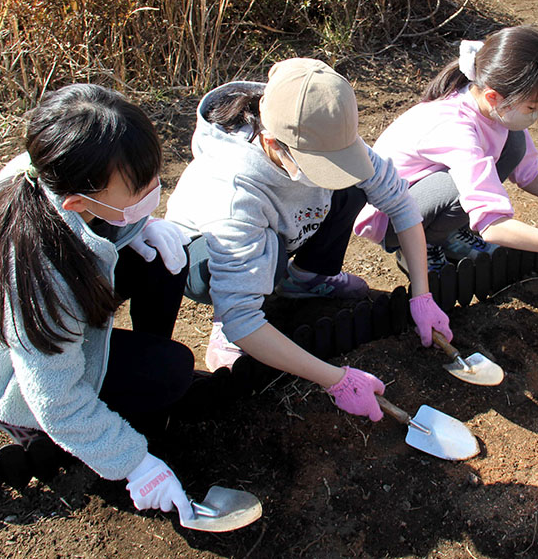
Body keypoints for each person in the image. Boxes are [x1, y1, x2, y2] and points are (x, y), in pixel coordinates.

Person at [0, 84, 201, 521]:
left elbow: (115, 213)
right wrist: (133, 463)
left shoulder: (56, 166)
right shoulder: (35, 276)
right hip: (12, 370)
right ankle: (18, 418)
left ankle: (131, 384)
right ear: (78, 202)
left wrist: (140, 224)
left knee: (165, 263)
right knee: (172, 371)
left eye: (153, 179)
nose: (155, 191)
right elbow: (56, 400)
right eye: (141, 191)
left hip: (51, 312)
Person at [165, 58, 451, 418]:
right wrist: (337, 379)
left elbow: (400, 203)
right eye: (317, 165)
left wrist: (421, 295)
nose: (327, 170)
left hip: (284, 231)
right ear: (271, 142)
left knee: (348, 188)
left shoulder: (322, 128)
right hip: (202, 257)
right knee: (264, 257)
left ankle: (307, 278)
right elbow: (242, 316)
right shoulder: (235, 192)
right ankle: (222, 325)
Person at [353, 25, 538, 277]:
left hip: (425, 194)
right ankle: (423, 244)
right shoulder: (455, 127)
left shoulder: (497, 111)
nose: (535, 116)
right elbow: (494, 227)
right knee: (455, 188)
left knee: (513, 146)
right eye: (532, 107)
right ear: (493, 96)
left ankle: (449, 231)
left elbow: (529, 176)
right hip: (390, 218)